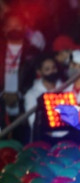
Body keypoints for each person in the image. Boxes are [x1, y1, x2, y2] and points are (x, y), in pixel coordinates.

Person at [0, 13, 39, 142]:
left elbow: (35, 78)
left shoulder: (33, 52)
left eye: (17, 25)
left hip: (23, 107)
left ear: (24, 27)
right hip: (1, 105)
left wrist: (19, 94)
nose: (14, 29)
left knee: (22, 144)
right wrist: (3, 94)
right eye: (10, 26)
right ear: (4, 29)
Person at [23, 53, 61, 129]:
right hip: (44, 137)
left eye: (54, 68)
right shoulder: (31, 95)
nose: (52, 72)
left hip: (68, 135)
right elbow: (33, 122)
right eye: (47, 69)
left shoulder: (65, 87)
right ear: (39, 72)